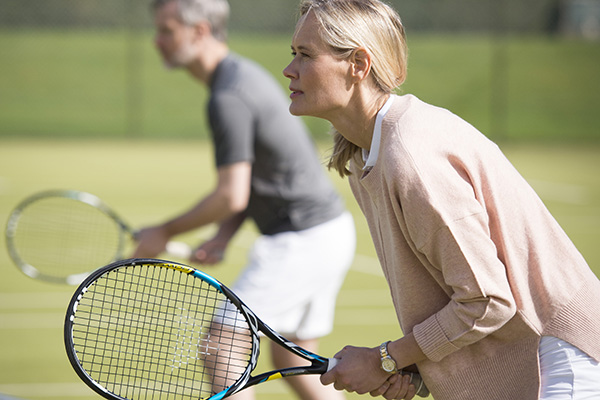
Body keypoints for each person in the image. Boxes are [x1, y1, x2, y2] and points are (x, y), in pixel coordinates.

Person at [282, 1, 600, 399]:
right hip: (532, 358)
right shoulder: (364, 154)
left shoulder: (411, 158)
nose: (289, 69)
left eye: (306, 55)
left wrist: (386, 358)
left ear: (358, 65)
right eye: (293, 53)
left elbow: (487, 299)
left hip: (559, 360)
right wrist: (412, 369)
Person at [135, 1, 356, 399]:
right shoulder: (238, 77)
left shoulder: (228, 95)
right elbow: (251, 180)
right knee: (295, 362)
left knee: (222, 346)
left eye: (166, 31)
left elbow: (230, 193)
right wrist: (222, 236)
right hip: (327, 233)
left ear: (200, 31)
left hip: (302, 240)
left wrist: (163, 231)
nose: (157, 41)